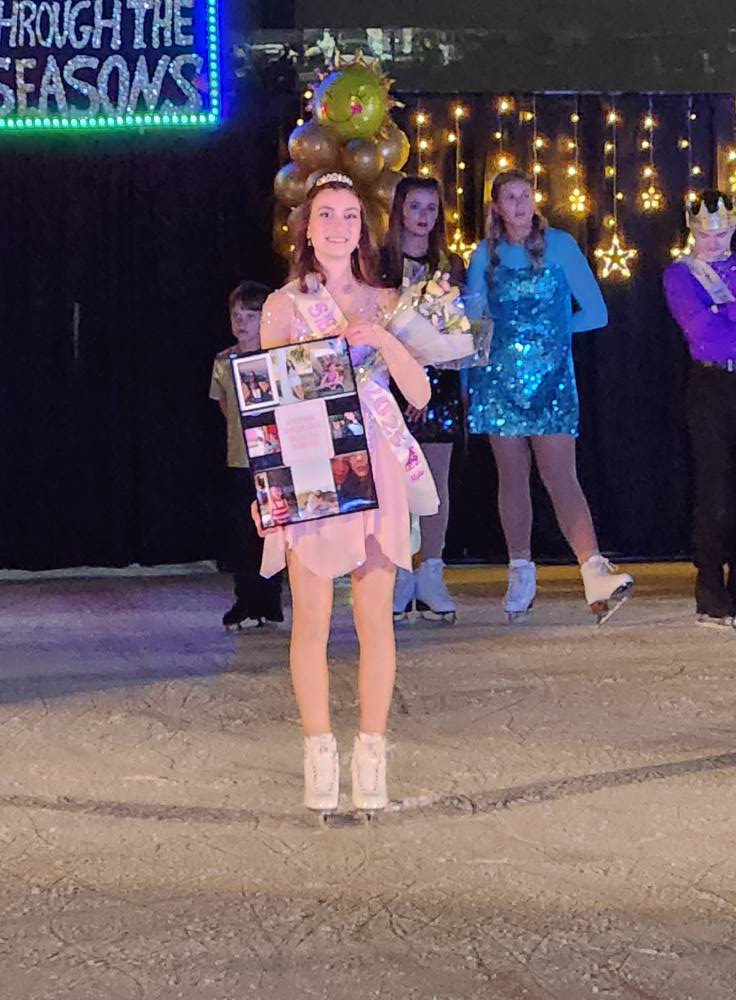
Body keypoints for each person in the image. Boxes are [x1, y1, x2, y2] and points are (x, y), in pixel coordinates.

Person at [255, 172, 436, 814]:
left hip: (376, 468)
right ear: (306, 227)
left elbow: (420, 393)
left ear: (365, 229)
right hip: (312, 471)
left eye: (350, 216)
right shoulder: (284, 305)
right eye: (326, 215)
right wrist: (267, 490)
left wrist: (380, 338)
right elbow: (269, 409)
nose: (338, 226)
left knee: (374, 620)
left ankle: (371, 756)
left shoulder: (388, 303)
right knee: (311, 620)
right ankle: (319, 756)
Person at [465, 169, 633, 624]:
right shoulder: (484, 254)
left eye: (526, 195)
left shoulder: (560, 246)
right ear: (497, 206)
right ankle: (520, 571)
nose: (520, 204)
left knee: (561, 476)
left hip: (552, 381)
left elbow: (596, 312)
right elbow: (472, 323)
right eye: (510, 197)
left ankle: (593, 571)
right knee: (512, 477)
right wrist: (471, 372)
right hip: (499, 382)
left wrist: (550, 335)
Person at [381, 176, 466, 623]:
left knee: (434, 481)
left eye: (432, 208)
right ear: (399, 209)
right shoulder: (377, 263)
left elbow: (458, 328)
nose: (423, 217)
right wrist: (405, 375)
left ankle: (431, 572)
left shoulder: (450, 264)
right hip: (389, 385)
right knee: (392, 483)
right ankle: (397, 573)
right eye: (415, 207)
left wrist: (429, 380)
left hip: (439, 384)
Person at [663, 190, 736, 629]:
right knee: (715, 488)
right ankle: (710, 590)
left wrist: (723, 309)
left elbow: (719, 320)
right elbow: (703, 329)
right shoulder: (680, 274)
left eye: (722, 232)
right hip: (710, 384)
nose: (714, 241)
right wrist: (722, 311)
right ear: (692, 231)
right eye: (706, 234)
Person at [209, 281, 284, 630]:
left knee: (274, 530)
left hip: (275, 457)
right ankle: (246, 599)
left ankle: (270, 601)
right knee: (243, 532)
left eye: (250, 316)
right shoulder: (224, 361)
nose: (241, 323)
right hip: (240, 458)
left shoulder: (277, 358)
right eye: (236, 316)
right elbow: (224, 404)